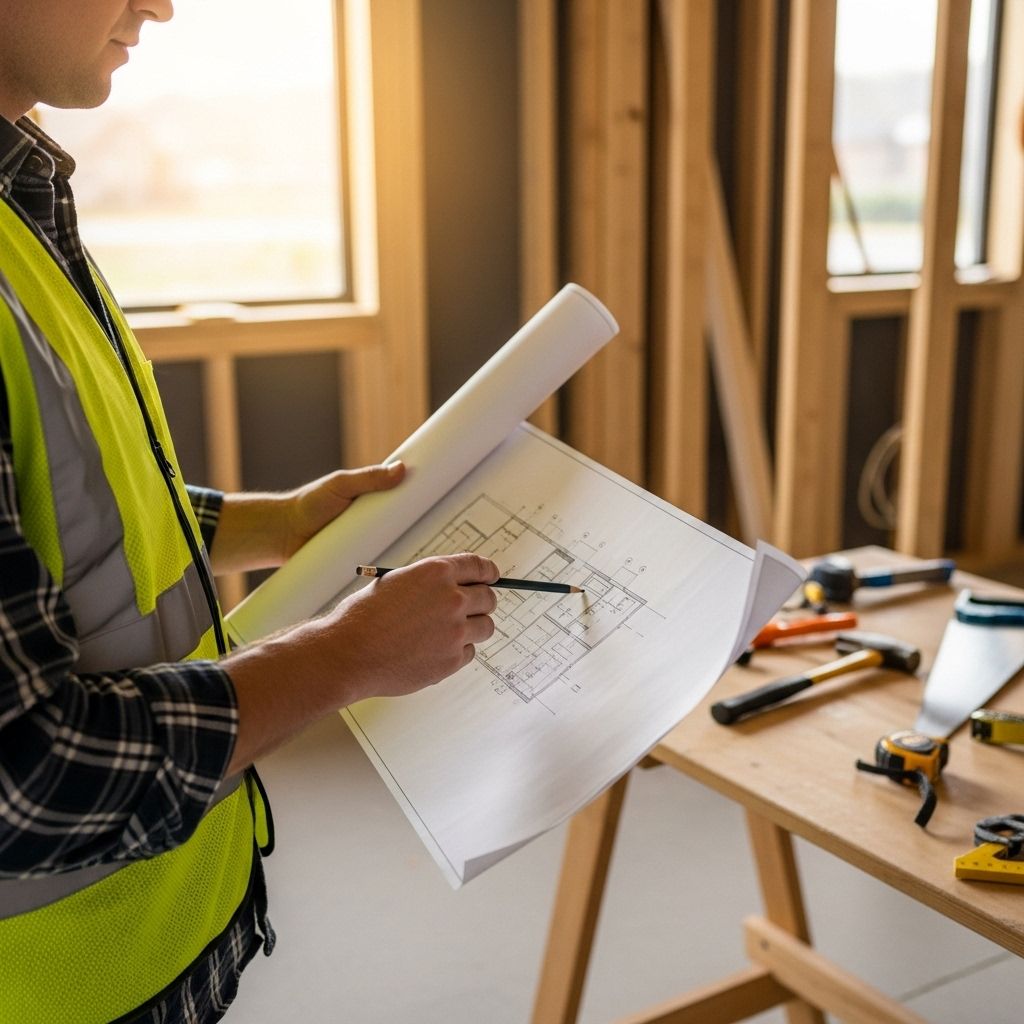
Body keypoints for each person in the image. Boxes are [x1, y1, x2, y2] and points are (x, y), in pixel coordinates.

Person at [0, 2, 499, 1021]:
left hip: (159, 922)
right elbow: (22, 775)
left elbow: (75, 502)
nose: (157, 3)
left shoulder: (20, 204)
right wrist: (341, 658)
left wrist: (278, 522)